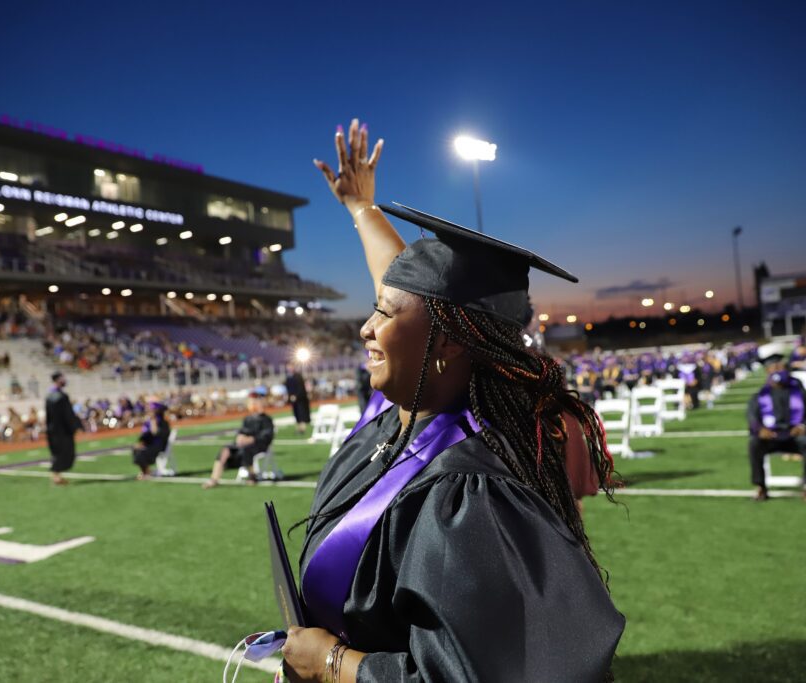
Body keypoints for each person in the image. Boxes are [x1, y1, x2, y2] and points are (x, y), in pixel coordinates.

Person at [278, 120, 623, 682]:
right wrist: (362, 209)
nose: (366, 328)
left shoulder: (468, 493)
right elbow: (415, 293)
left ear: (447, 344)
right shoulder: (399, 418)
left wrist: (330, 664)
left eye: (383, 314)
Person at [747, 354, 806, 503]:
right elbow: (752, 417)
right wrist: (760, 429)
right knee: (754, 444)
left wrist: (804, 426)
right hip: (772, 437)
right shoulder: (761, 395)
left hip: (795, 435)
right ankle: (761, 487)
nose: (777, 370)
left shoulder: (798, 390)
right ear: (767, 371)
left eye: (780, 367)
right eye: (773, 367)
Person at [201, 392, 274, 488]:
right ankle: (214, 479)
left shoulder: (266, 419)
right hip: (243, 444)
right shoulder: (247, 419)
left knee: (246, 450)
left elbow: (267, 436)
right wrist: (240, 437)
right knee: (225, 450)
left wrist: (251, 439)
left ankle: (252, 476)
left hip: (258, 445)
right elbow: (241, 431)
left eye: (254, 402)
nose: (252, 404)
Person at [45, 371, 82, 486]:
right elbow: (68, 415)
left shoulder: (49, 396)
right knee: (64, 452)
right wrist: (75, 426)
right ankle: (56, 477)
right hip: (63, 431)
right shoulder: (61, 397)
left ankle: (57, 476)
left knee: (57, 452)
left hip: (53, 430)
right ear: (57, 380)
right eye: (62, 378)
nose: (64, 380)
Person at [132, 401, 171, 480]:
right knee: (136, 449)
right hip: (150, 444)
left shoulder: (162, 421)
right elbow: (145, 435)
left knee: (141, 452)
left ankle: (147, 473)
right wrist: (142, 442)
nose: (149, 411)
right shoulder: (149, 421)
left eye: (151, 410)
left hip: (159, 445)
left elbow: (155, 433)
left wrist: (153, 420)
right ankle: (146, 471)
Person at [285, 367, 312, 435]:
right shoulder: (288, 377)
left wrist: (296, 396)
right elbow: (288, 387)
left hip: (300, 399)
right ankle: (299, 428)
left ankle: (302, 428)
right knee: (296, 413)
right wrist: (290, 395)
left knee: (301, 413)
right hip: (293, 399)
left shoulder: (298, 376)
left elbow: (301, 387)